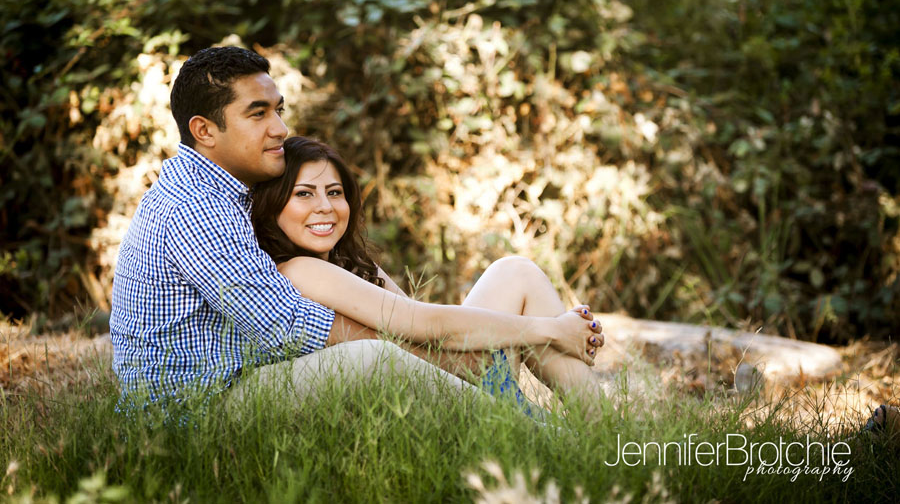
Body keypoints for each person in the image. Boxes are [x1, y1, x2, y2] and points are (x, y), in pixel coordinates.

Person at [110, 46, 601, 410]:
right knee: (372, 359)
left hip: (243, 385)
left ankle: (608, 435)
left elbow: (408, 316)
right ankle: (525, 435)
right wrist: (471, 347)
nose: (279, 128)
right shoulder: (197, 208)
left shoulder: (222, 196)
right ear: (204, 130)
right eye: (257, 114)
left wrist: (466, 344)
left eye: (277, 109)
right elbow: (291, 329)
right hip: (197, 413)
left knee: (513, 272)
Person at [250, 135, 611, 413]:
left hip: (456, 376)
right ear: (274, 205)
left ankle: (605, 425)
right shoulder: (299, 270)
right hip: (436, 402)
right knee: (527, 295)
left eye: (334, 192)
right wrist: (553, 330)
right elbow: (424, 322)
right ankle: (606, 429)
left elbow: (427, 341)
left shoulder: (353, 266)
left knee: (516, 271)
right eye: (304, 194)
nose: (325, 207)